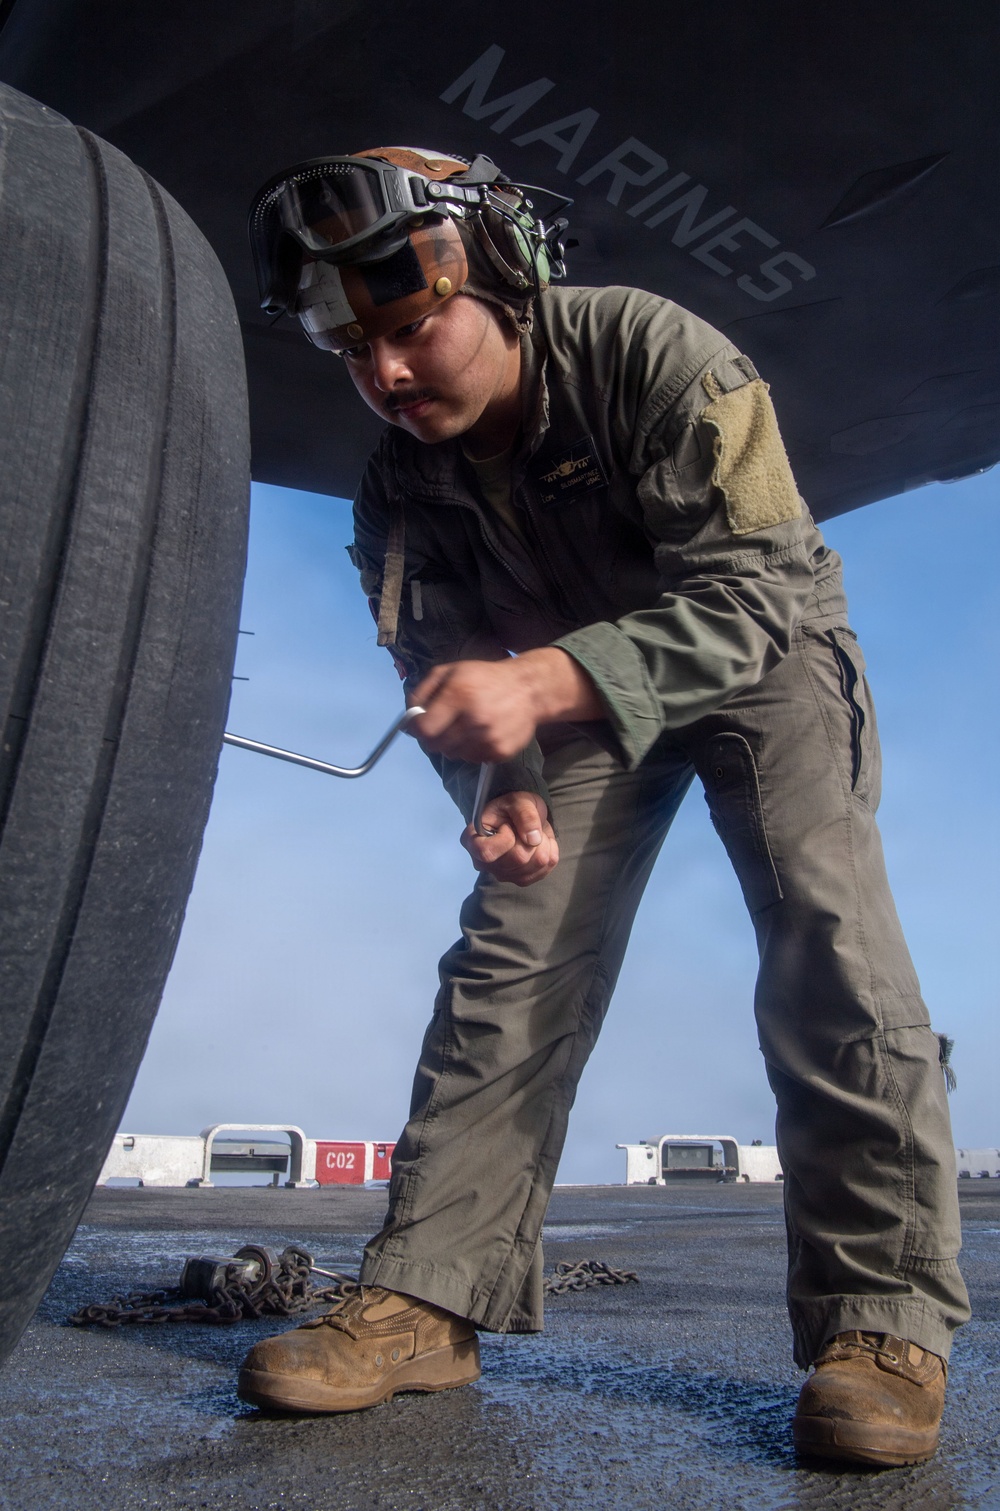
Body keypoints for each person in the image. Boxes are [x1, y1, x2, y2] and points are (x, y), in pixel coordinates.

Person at [238, 147, 969, 1465]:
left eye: (409, 331)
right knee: (508, 957)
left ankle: (881, 1321)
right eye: (355, 352)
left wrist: (538, 682)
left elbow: (753, 602)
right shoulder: (396, 492)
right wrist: (500, 789)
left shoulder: (652, 351)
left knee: (826, 932)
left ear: (501, 278)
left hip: (761, 654)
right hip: (559, 701)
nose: (388, 376)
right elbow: (436, 671)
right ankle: (427, 1296)